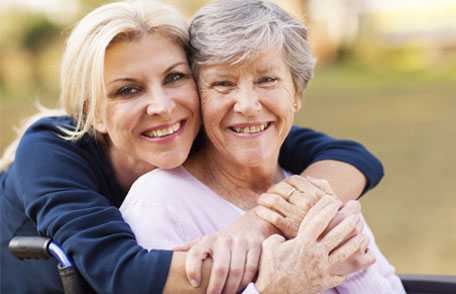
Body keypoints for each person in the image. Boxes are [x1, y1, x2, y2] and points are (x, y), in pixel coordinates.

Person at [0, 1, 384, 293]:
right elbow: (121, 273)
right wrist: (286, 268)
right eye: (128, 90)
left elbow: (352, 158)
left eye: (175, 77)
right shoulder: (49, 152)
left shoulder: (193, 129)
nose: (162, 106)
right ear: (94, 113)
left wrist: (258, 223)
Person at [120, 0, 405, 293]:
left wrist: (347, 264)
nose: (247, 105)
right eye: (223, 84)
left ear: (297, 93)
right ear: (196, 97)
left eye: (267, 79)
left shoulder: (312, 188)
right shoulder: (159, 203)